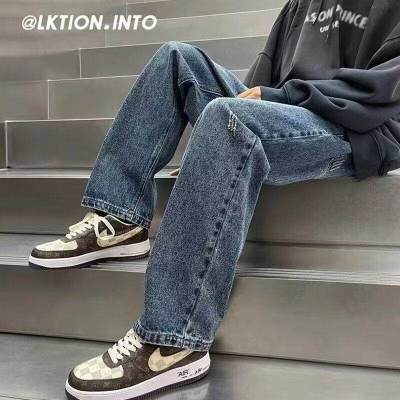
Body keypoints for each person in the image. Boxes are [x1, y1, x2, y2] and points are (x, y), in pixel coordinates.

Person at [30, 0, 400, 399]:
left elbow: (383, 88)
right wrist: (223, 138)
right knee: (176, 58)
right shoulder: (301, 5)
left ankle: (174, 338)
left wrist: (264, 108)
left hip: (356, 128)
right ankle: (120, 217)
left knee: (230, 119)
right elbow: (264, 76)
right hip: (290, 109)